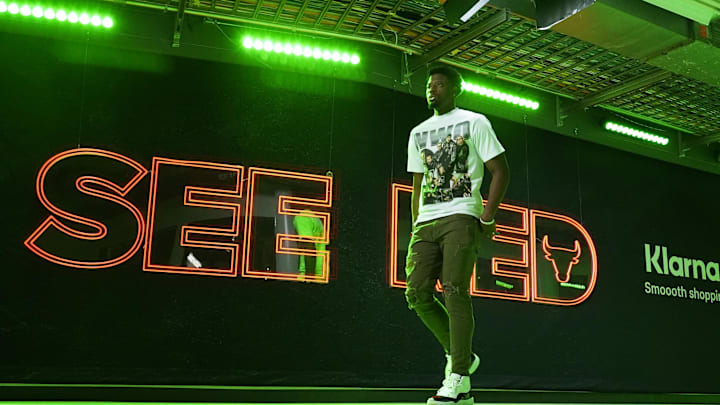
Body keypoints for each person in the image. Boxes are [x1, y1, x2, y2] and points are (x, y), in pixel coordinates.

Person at [405, 65, 510, 405]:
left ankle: (459, 376)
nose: (431, 89)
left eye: (438, 84)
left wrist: (488, 214)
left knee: (453, 288)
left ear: (454, 89)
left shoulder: (474, 122)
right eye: (428, 85)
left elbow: (500, 171)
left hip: (462, 216)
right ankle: (459, 352)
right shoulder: (418, 132)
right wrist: (415, 223)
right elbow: (417, 185)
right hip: (427, 222)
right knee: (417, 292)